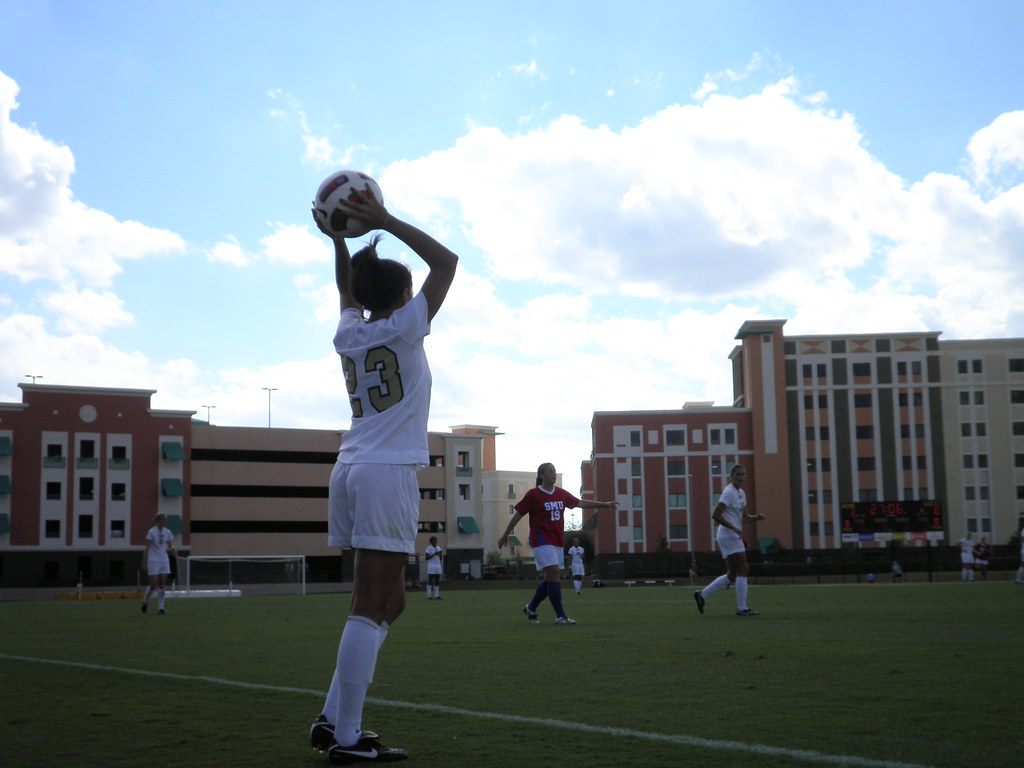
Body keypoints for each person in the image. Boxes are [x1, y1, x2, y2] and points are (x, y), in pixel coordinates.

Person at [308, 184, 458, 765]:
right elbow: (446, 262)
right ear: (401, 295)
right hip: (385, 471)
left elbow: (346, 292)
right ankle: (345, 737)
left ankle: (332, 719)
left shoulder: (350, 332)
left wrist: (339, 241)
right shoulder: (405, 326)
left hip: (352, 468)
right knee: (370, 605)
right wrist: (385, 220)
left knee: (390, 603)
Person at [497, 463, 616, 624]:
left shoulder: (560, 493)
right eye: (550, 471)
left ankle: (531, 607)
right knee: (554, 574)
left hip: (556, 541)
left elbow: (579, 503)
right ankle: (560, 616)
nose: (553, 474)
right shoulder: (533, 494)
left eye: (554, 471)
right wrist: (505, 535)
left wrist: (604, 505)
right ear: (541, 475)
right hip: (541, 540)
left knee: (550, 578)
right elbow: (518, 514)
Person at [693, 464, 765, 616]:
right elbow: (716, 515)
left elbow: (744, 517)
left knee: (732, 574)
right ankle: (742, 608)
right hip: (729, 535)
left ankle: (702, 595)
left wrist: (756, 518)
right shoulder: (729, 492)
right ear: (731, 477)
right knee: (743, 569)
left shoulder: (741, 493)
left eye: (743, 474)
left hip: (730, 535)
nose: (741, 477)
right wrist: (734, 528)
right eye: (738, 474)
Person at [141, 513, 177, 615]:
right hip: (153, 559)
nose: (165, 521)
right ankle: (145, 601)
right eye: (163, 519)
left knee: (162, 583)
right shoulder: (152, 532)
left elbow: (169, 546)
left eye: (165, 520)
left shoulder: (167, 532)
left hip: (164, 559)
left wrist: (172, 550)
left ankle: (161, 608)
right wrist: (144, 562)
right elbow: (147, 547)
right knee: (153, 583)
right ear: (158, 521)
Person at [424, 536, 444, 600]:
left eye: (436, 540)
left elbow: (440, 558)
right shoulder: (429, 548)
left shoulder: (439, 548)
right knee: (430, 581)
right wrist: (434, 554)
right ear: (431, 542)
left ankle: (436, 596)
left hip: (438, 566)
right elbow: (426, 558)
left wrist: (440, 554)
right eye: (434, 540)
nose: (435, 542)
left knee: (437, 581)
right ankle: (429, 596)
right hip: (431, 566)